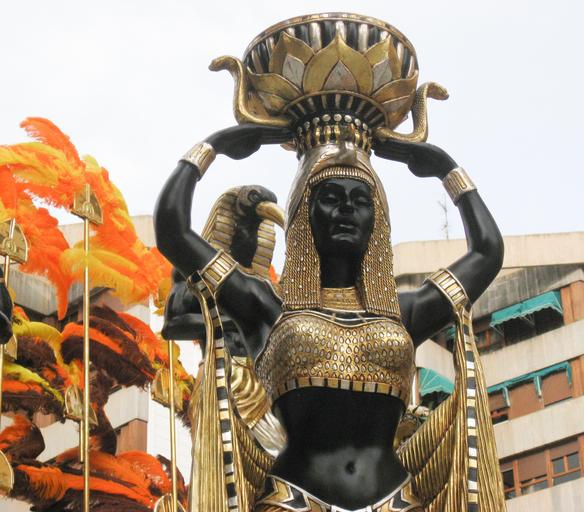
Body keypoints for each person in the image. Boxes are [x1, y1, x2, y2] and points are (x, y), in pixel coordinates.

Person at [154, 118, 505, 511]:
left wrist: (445, 168)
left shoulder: (403, 312)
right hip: (294, 502)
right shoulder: (268, 308)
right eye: (331, 197)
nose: (346, 209)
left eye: (361, 201)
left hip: (397, 502)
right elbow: (173, 232)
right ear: (304, 213)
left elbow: (487, 252)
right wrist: (214, 145)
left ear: (376, 219)